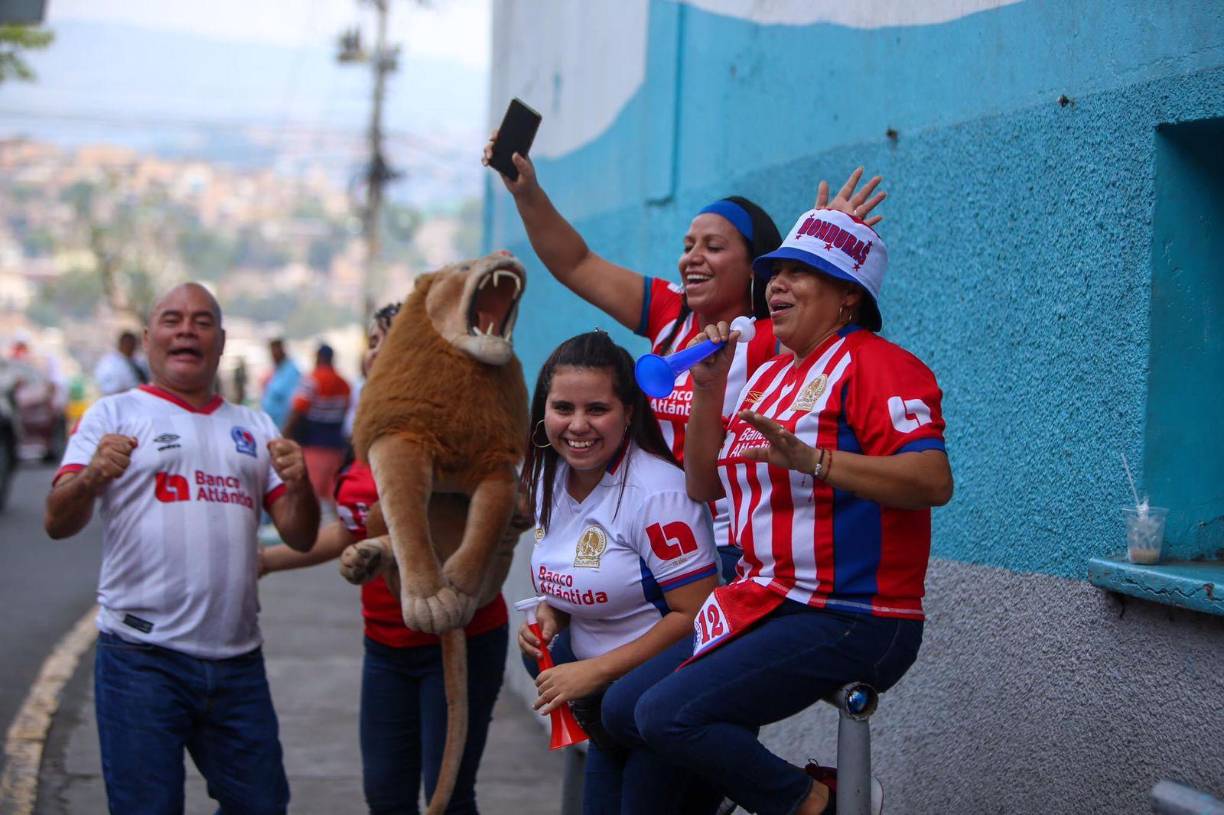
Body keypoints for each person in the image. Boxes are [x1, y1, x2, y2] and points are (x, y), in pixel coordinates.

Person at [600, 206, 954, 815]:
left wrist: (819, 461)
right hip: (767, 597)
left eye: (798, 272)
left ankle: (818, 801)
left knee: (667, 715)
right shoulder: (769, 375)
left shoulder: (879, 364)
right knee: (621, 709)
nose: (776, 286)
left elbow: (932, 480)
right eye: (773, 273)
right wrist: (709, 388)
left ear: (848, 296)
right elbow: (705, 484)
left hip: (856, 613)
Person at [484, 141, 884, 581]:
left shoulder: (775, 338)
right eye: (688, 245)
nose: (691, 258)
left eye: (713, 247)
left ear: (757, 268)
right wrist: (526, 193)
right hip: (647, 524)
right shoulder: (670, 313)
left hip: (727, 544)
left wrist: (824, 243)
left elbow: (828, 317)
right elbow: (576, 263)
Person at [44, 282, 320, 814]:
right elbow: (58, 520)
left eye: (201, 321)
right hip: (141, 661)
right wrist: (92, 477)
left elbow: (300, 534)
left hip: (238, 662)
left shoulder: (255, 426)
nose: (186, 329)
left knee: (262, 805)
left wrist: (302, 485)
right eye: (172, 320)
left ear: (221, 340)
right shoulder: (112, 415)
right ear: (149, 339)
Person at [260, 301, 510, 815]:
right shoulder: (369, 432)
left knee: (448, 797)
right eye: (374, 344)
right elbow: (348, 528)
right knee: (385, 795)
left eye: (391, 343)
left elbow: (464, 529)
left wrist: (385, 546)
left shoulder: (460, 435)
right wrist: (266, 561)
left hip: (458, 639)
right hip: (385, 645)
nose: (377, 355)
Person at [516, 331, 720, 815]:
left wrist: (593, 672)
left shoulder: (659, 493)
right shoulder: (549, 477)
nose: (578, 425)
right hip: (604, 713)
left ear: (629, 411)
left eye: (597, 409)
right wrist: (553, 613)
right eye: (563, 407)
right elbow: (589, 575)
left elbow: (697, 613)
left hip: (652, 706)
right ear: (543, 411)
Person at [284, 343, 351, 511]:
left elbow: (297, 410)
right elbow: (345, 413)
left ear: (319, 358)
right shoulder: (344, 384)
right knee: (334, 497)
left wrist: (285, 435)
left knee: (311, 497)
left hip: (314, 447)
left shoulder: (312, 380)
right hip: (336, 448)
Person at [93, 330, 148, 396]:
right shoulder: (108, 362)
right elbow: (106, 387)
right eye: (128, 343)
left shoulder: (140, 361)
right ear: (121, 344)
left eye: (133, 344)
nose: (130, 347)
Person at [261, 338, 300, 429]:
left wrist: (288, 428)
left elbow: (292, 403)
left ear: (282, 350)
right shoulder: (277, 370)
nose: (273, 355)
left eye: (275, 351)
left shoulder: (291, 371)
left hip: (283, 427)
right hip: (273, 425)